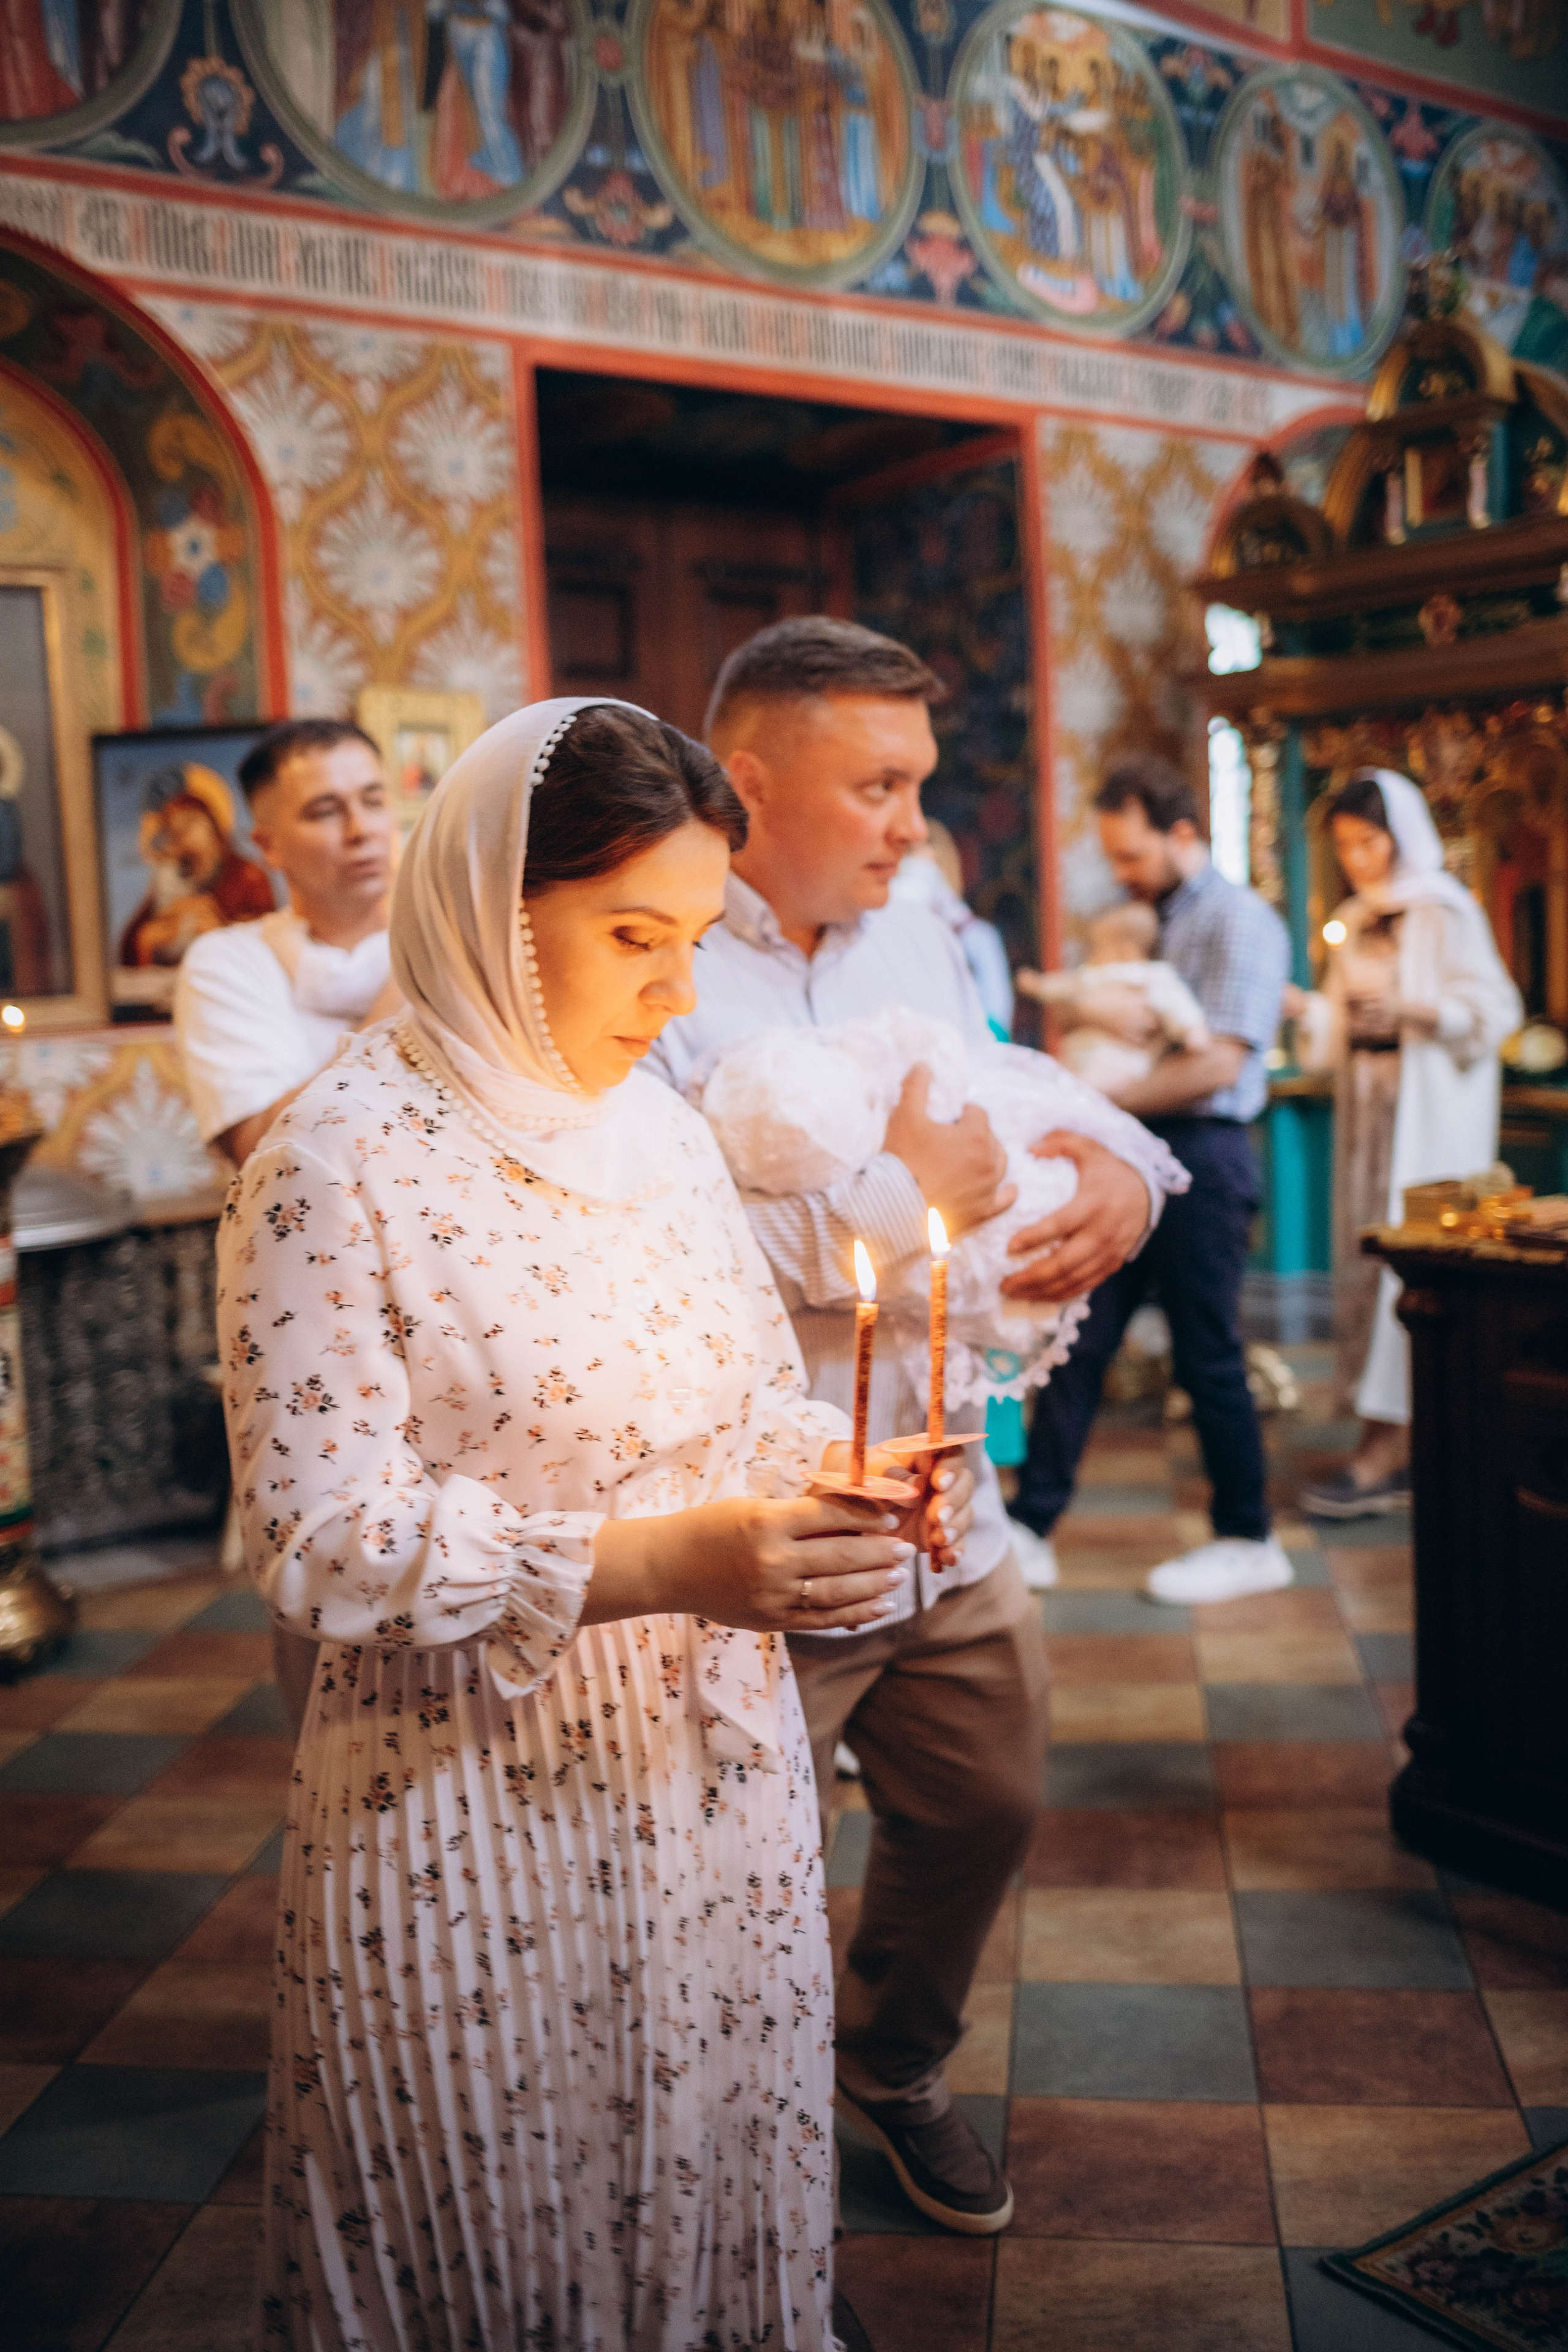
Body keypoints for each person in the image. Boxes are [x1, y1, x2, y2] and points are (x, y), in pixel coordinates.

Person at [217, 696, 968, 2351]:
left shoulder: (660, 1135)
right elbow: (319, 1534)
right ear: (496, 904)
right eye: (636, 935)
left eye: (699, 937)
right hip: (470, 1786)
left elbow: (743, 1404)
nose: (679, 989)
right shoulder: (335, 1162)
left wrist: (849, 1472)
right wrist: (660, 1564)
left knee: (712, 2171)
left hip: (709, 1780)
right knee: (512, 2204)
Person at [647, 619, 1186, 2236]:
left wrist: (1114, 1169)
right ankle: (722, 2186)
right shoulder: (649, 944)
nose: (907, 824)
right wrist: (910, 1196)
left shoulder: (917, 926)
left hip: (946, 1488)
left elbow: (1002, 1078)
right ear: (749, 786)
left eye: (918, 785)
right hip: (771, 1517)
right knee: (731, 1874)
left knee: (989, 1799)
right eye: (878, 785)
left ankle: (894, 2062)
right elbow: (673, 1234)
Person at [1009, 752, 1294, 1607]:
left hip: (1203, 1154)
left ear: (1181, 833)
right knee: (1080, 1338)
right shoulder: (1152, 920)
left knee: (1208, 1357)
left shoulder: (1239, 919)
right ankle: (1031, 1526)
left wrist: (1105, 1102)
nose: (1123, 876)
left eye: (1133, 856)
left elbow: (1218, 1061)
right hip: (1132, 1149)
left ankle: (1249, 1537)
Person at [175, 717, 401, 1731]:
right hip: (312, 1316)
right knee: (335, 1607)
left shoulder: (474, 940)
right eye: (323, 809)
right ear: (266, 843)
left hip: (455, 1290)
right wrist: (410, 991)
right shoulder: (229, 966)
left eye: (373, 798)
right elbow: (270, 1151)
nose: (360, 827)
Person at [1292, 768, 1521, 1517]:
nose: (1357, 859)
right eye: (1345, 847)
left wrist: (1413, 1007)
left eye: (1368, 842)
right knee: (1365, 1263)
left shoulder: (1445, 912)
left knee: (1411, 1267)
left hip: (1427, 1117)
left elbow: (1495, 1010)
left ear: (1400, 835)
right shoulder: (1356, 919)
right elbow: (1332, 1030)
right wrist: (1308, 1010)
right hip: (1367, 1113)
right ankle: (1390, 1433)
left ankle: (1389, 1448)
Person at [1016, 897, 1210, 1095]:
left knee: (1082, 1089)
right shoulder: (1093, 974)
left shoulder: (1153, 976)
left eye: (1099, 948)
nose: (1093, 955)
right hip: (1080, 1058)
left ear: (1127, 951)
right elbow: (1066, 986)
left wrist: (1192, 1031)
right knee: (1054, 1078)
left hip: (1119, 1064)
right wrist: (1039, 985)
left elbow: (1178, 1006)